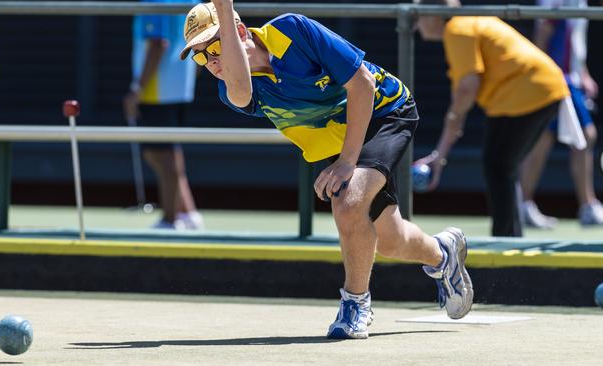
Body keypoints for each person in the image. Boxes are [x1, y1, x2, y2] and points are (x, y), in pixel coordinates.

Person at [179, 1, 473, 339]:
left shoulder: (293, 29)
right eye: (201, 57)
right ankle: (443, 254)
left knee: (348, 202)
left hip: (383, 111)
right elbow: (242, 87)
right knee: (390, 241)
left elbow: (362, 82)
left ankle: (355, 303)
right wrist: (345, 158)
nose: (212, 61)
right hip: (336, 141)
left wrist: (348, 162)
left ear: (239, 32)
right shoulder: (233, 91)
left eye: (215, 47)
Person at [414, 0, 570, 237]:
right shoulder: (464, 24)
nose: (415, 25)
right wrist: (440, 155)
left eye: (418, 17)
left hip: (529, 92)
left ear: (433, 15)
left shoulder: (457, 28)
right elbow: (465, 93)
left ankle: (506, 239)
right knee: (500, 165)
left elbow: (467, 88)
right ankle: (509, 237)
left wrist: (443, 147)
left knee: (498, 166)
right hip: (530, 92)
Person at [520, 0, 603, 228]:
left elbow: (573, 39)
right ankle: (587, 205)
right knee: (585, 135)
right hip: (558, 78)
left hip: (568, 78)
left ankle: (523, 204)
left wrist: (583, 73)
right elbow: (545, 31)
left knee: (545, 139)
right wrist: (540, 75)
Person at [123, 0, 203, 230]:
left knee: (162, 155)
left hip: (157, 90)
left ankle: (170, 219)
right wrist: (189, 78)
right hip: (180, 88)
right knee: (170, 152)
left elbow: (159, 44)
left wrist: (137, 89)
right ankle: (188, 213)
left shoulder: (154, 1)